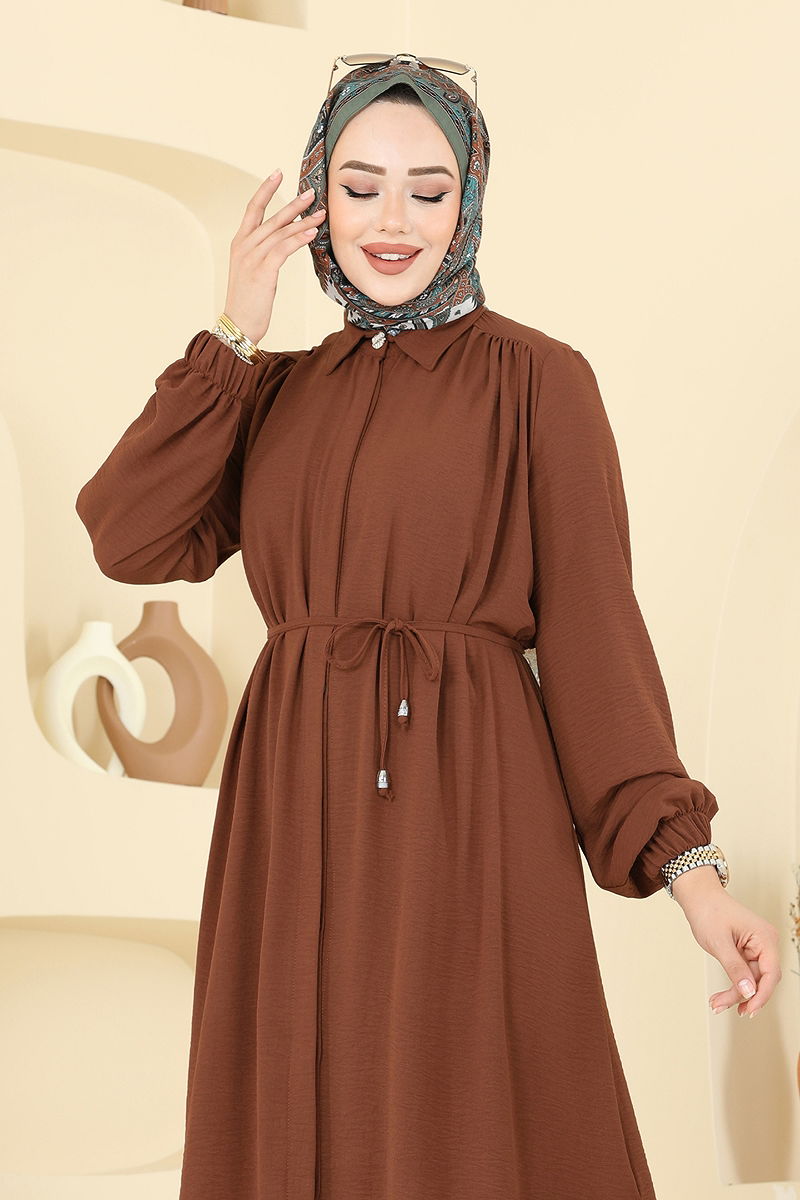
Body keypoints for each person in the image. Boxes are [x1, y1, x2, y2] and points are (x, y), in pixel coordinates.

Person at [75, 52, 781, 1200]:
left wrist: (691, 878)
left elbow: (596, 640)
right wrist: (234, 329)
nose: (391, 222)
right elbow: (128, 536)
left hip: (470, 813)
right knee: (304, 1106)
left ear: (469, 200)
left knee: (469, 1117)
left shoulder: (538, 381)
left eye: (427, 189)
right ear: (316, 197)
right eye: (358, 188)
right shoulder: (270, 392)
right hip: (292, 812)